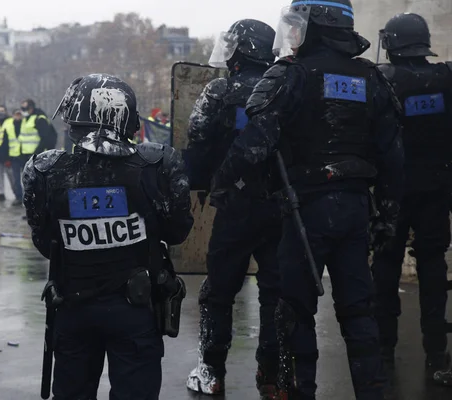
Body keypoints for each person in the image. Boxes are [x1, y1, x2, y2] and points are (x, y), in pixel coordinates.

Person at [212, 1, 405, 398]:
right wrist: (387, 214)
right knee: (358, 310)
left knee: (295, 312)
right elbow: (393, 158)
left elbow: (253, 145)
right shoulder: (372, 78)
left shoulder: (292, 75)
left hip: (306, 211)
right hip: (354, 209)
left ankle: (302, 392)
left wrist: (224, 184)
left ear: (316, 26)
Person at [23, 74, 193, 399]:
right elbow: (178, 231)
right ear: (129, 120)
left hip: (73, 307)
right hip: (135, 308)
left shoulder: (44, 171)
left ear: (74, 122)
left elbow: (46, 243)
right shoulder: (158, 165)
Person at [184, 19, 282, 398]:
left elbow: (197, 141)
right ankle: (273, 376)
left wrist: (200, 185)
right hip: (278, 205)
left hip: (235, 207)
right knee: (276, 292)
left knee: (220, 292)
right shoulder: (284, 87)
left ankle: (211, 371)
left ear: (240, 49)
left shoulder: (221, 90)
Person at [373, 13, 452, 381]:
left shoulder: (383, 79)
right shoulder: (446, 78)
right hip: (437, 189)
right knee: (433, 266)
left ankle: (385, 353)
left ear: (391, 43)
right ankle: (437, 354)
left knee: (385, 268)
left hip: (394, 190)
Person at [18, 98, 57, 166]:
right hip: (26, 155)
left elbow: (45, 138)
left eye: (24, 109)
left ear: (31, 108)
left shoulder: (40, 119)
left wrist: (36, 153)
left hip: (38, 155)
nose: (23, 111)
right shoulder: (25, 119)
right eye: (22, 108)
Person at [10, 109, 24, 205]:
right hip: (14, 155)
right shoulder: (9, 125)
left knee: (26, 178)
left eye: (19, 115)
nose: (18, 116)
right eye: (16, 115)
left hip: (24, 155)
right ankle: (18, 196)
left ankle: (27, 196)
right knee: (16, 179)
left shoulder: (25, 124)